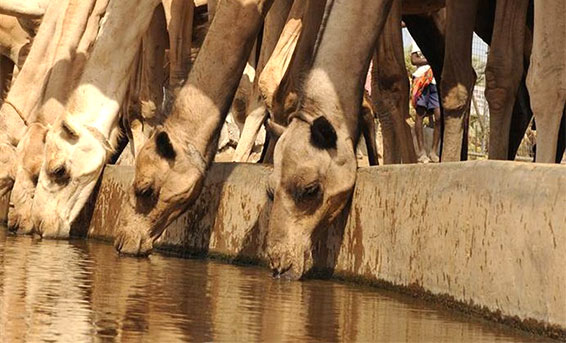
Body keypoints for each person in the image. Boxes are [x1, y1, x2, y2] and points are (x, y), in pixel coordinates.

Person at [411, 40, 440, 163]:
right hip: (421, 79)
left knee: (439, 116)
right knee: (420, 114)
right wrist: (432, 59)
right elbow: (414, 60)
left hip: (434, 81)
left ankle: (433, 151)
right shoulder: (417, 37)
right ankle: (421, 152)